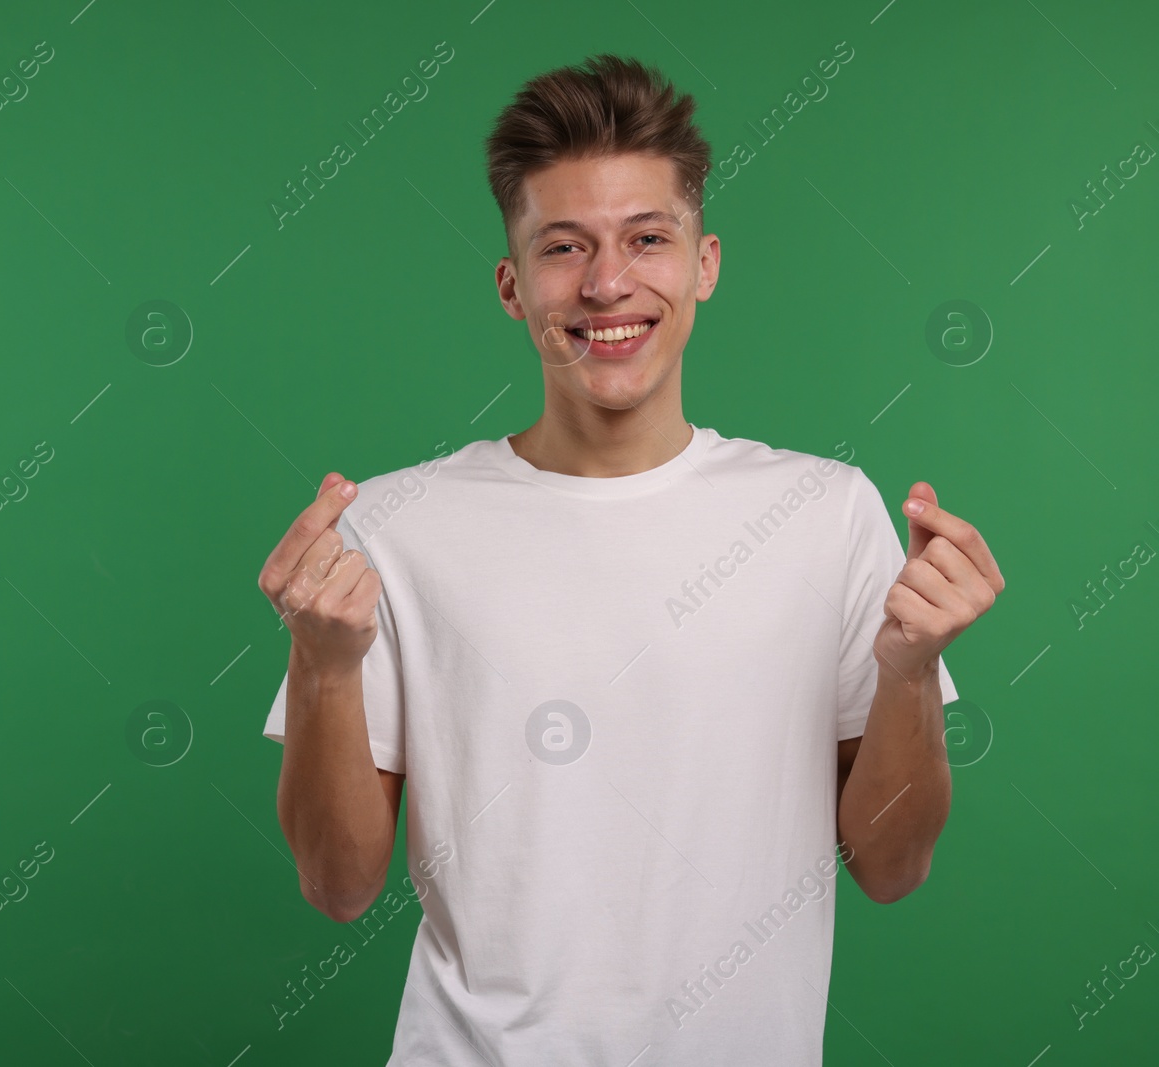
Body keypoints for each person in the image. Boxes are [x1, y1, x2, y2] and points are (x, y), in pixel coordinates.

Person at [256, 53, 1004, 1066]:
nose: (607, 283)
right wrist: (324, 663)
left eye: (646, 238)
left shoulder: (821, 512)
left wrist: (909, 673)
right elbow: (336, 885)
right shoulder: (395, 524)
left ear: (703, 263)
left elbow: (892, 866)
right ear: (512, 286)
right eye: (563, 247)